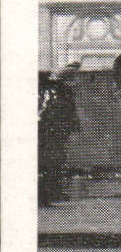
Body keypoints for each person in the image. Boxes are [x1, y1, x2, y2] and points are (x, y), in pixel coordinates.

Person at [38, 67, 81, 207]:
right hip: (53, 138)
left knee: (54, 164)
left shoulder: (56, 97)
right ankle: (46, 196)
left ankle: (50, 194)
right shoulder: (60, 98)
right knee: (53, 164)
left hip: (54, 137)